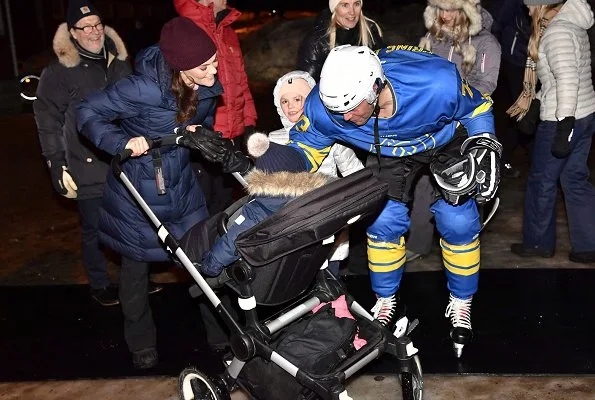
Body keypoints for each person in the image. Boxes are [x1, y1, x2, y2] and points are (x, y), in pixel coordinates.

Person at [267, 44, 500, 358]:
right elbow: (304, 153)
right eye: (338, 111)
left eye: (351, 107)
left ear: (376, 88)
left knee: (458, 220)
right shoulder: (324, 106)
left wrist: (484, 142)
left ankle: (461, 302)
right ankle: (386, 299)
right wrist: (272, 178)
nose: (346, 118)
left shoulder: (436, 82)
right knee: (383, 219)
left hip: (444, 138)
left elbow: (478, 108)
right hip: (388, 150)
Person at [76, 16, 230, 369]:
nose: (214, 70)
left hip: (183, 188)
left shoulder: (204, 84)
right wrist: (121, 142)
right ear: (181, 67)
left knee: (205, 264)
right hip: (138, 193)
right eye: (206, 66)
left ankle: (222, 334)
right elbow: (86, 112)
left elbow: (199, 121)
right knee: (135, 268)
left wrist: (197, 134)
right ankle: (141, 342)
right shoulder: (142, 89)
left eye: (215, 61)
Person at [33, 0, 134, 307]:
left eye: (97, 25)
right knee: (94, 229)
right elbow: (47, 118)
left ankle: (135, 280)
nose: (93, 32)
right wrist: (56, 162)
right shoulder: (60, 72)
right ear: (73, 33)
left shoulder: (120, 63)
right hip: (85, 163)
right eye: (85, 27)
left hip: (125, 161)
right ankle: (99, 282)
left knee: (132, 223)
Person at [407, 0, 501, 261]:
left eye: (451, 9)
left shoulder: (486, 43)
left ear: (466, 10)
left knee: (467, 183)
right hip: (433, 125)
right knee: (425, 183)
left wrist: (448, 98)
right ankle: (418, 243)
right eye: (440, 9)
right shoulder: (430, 39)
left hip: (466, 125)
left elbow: (486, 85)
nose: (445, 15)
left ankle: (466, 243)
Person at [510, 0, 595, 264]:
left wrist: (564, 125)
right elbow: (561, 79)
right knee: (574, 179)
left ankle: (537, 243)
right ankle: (588, 245)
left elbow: (568, 79)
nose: (528, 11)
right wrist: (536, 105)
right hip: (585, 112)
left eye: (530, 6)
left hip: (564, 118)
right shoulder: (572, 24)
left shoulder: (556, 32)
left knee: (541, 182)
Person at [268, 70, 364, 275]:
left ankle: (334, 303)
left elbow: (352, 170)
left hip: (330, 209)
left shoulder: (330, 134)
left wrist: (362, 196)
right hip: (295, 218)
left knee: (331, 265)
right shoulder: (274, 140)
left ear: (311, 100)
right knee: (301, 271)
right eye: (284, 101)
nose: (290, 105)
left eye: (297, 98)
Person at [174, 0, 258, 215]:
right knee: (201, 205)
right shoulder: (186, 28)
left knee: (226, 203)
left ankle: (224, 247)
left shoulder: (227, 30)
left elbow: (241, 80)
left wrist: (248, 122)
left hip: (233, 133)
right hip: (203, 135)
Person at [491, 0, 534, 178]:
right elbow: (496, 23)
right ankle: (501, 161)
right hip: (516, 60)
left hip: (536, 61)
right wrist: (497, 54)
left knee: (528, 112)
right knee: (522, 113)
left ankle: (505, 158)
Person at [296, 0, 384, 82]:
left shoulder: (370, 32)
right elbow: (306, 85)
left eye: (356, 4)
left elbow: (384, 68)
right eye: (345, 5)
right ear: (335, 8)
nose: (352, 12)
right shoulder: (317, 41)